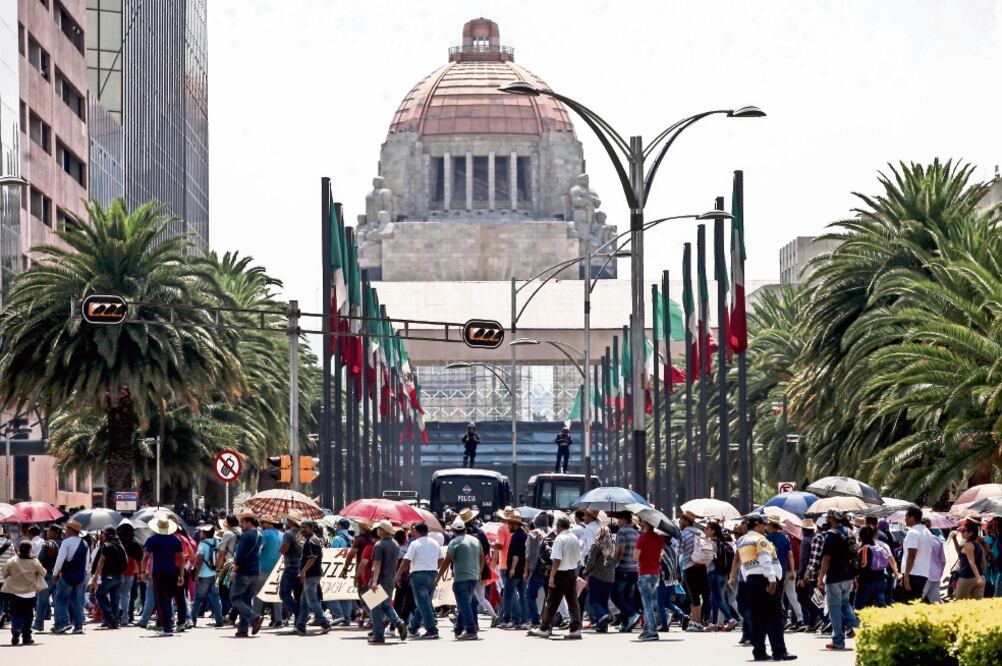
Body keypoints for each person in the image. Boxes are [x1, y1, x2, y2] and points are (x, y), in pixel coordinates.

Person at [731, 514, 796, 661]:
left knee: (757, 618)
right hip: (765, 580)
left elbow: (742, 564)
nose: (765, 527)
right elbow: (765, 560)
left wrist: (747, 579)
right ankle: (779, 651)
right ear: (758, 525)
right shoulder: (760, 540)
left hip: (752, 581)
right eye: (763, 524)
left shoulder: (742, 541)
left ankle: (759, 652)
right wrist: (772, 581)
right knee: (774, 617)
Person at [528, 516, 582, 639]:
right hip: (572, 572)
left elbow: (556, 559)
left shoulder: (559, 539)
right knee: (573, 602)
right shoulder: (574, 538)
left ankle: (544, 628)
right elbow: (578, 559)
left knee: (552, 602)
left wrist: (552, 576)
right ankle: (575, 629)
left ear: (559, 526)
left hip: (560, 573)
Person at [818, 511, 859, 652]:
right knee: (845, 604)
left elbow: (826, 559)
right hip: (848, 576)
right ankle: (861, 631)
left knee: (834, 609)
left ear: (831, 519)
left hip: (834, 577)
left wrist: (820, 578)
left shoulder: (831, 535)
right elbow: (855, 554)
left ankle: (838, 641)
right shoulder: (850, 532)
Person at [437, 517, 483, 640]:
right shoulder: (475, 540)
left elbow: (447, 561)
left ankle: (470, 630)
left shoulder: (454, 542)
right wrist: (479, 571)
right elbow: (482, 557)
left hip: (461, 577)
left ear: (452, 530)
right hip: (474, 577)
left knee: (464, 604)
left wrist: (438, 577)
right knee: (465, 603)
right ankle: (458, 628)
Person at [141, 516, 184, 637]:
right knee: (168, 600)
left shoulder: (153, 539)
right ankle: (168, 626)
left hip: (158, 573)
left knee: (161, 601)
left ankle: (167, 628)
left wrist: (143, 572)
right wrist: (181, 575)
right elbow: (181, 558)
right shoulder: (175, 540)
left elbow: (145, 557)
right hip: (172, 572)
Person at [398, 522, 442, 639]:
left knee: (423, 603)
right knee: (424, 603)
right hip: (432, 574)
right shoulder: (435, 543)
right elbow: (441, 559)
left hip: (418, 575)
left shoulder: (415, 543)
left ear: (417, 532)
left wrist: (398, 573)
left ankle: (432, 630)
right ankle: (413, 628)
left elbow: (406, 560)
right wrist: (433, 567)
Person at [367, 520, 407, 644]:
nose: (377, 531)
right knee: (385, 605)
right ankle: (398, 622)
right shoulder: (395, 544)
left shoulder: (379, 545)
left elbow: (377, 564)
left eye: (379, 529)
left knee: (376, 609)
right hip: (390, 580)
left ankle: (378, 635)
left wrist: (374, 582)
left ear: (383, 530)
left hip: (380, 580)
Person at [2, 540, 46, 646]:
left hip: (15, 592)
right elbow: (43, 573)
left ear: (19, 549)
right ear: (30, 550)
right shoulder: (34, 561)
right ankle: (26, 637)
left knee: (15, 613)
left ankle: (16, 629)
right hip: (30, 593)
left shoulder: (13, 560)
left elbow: (4, 573)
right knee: (28, 615)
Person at [51, 519, 91, 635]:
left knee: (60, 599)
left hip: (67, 575)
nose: (65, 531)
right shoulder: (85, 544)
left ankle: (63, 623)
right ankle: (78, 626)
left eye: (67, 529)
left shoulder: (66, 542)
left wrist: (55, 573)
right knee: (78, 601)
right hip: (81, 576)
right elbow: (88, 562)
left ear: (71, 530)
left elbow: (60, 560)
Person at [294, 520, 332, 635]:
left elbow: (312, 558)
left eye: (305, 527)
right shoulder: (312, 540)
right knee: (304, 601)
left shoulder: (311, 541)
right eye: (301, 528)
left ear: (311, 528)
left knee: (312, 600)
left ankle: (325, 623)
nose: (302, 530)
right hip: (312, 574)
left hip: (311, 574)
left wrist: (303, 571)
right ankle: (300, 626)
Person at [230, 510, 264, 638]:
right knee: (246, 600)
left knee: (235, 598)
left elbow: (240, 554)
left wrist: (234, 569)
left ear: (249, 522)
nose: (241, 525)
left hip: (244, 571)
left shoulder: (245, 536)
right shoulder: (259, 534)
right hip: (255, 571)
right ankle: (242, 630)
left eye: (243, 522)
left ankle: (254, 618)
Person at [764, 516, 800, 630]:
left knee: (774, 596)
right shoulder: (785, 538)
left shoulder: (766, 539)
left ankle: (782, 617)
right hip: (784, 570)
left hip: (771, 571)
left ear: (770, 525)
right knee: (790, 595)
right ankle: (800, 619)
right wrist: (792, 570)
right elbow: (790, 555)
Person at [634, 520, 665, 641]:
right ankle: (647, 628)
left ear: (646, 524)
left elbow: (635, 556)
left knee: (647, 603)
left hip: (644, 572)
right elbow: (660, 556)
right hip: (655, 573)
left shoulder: (642, 538)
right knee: (651, 601)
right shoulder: (659, 539)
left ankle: (652, 630)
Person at [91, 525, 127, 629]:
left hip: (109, 576)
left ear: (107, 535)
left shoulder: (106, 546)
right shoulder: (120, 545)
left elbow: (101, 561)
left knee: (100, 595)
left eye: (103, 534)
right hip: (120, 576)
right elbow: (126, 561)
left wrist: (96, 575)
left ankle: (110, 615)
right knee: (115, 599)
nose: (102, 536)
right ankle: (114, 622)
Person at [582, 523, 615, 632]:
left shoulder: (596, 545)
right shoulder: (612, 546)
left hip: (597, 576)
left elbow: (590, 562)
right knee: (603, 601)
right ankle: (602, 626)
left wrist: (585, 572)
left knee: (593, 600)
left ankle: (604, 616)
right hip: (610, 577)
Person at [679, 510, 708, 631]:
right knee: (697, 596)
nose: (680, 522)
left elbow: (680, 551)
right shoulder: (700, 532)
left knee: (693, 596)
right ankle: (695, 621)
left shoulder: (684, 534)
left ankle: (697, 623)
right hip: (702, 566)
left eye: (681, 520)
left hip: (689, 567)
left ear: (686, 521)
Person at [706, 520, 738, 631]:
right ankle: (714, 623)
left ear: (713, 531)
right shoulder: (724, 543)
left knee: (717, 598)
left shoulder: (711, 544)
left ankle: (730, 619)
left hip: (713, 572)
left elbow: (712, 557)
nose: (706, 530)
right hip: (724, 574)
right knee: (714, 597)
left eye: (708, 528)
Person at [611, 512, 640, 632]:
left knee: (615, 595)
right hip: (634, 568)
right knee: (628, 597)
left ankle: (632, 614)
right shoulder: (636, 532)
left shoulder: (622, 532)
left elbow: (620, 550)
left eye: (619, 520)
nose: (618, 522)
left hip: (623, 568)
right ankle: (626, 624)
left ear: (623, 519)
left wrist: (614, 563)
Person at [856, 526, 897, 609]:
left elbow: (862, 566)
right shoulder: (879, 547)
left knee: (859, 607)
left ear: (861, 536)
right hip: (881, 580)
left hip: (867, 581)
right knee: (881, 606)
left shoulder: (865, 548)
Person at [192, 524, 224, 627]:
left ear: (204, 533)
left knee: (198, 599)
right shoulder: (217, 542)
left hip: (204, 575)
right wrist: (218, 570)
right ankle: (219, 620)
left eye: (202, 532)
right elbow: (220, 557)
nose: (201, 533)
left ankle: (192, 619)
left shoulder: (202, 545)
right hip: (214, 573)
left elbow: (199, 560)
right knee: (215, 598)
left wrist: (196, 575)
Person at [524, 511, 552, 628]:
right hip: (551, 569)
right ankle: (548, 621)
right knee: (549, 597)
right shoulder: (553, 532)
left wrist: (526, 571)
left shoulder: (533, 534)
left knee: (529, 595)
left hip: (537, 570)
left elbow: (529, 555)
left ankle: (535, 620)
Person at [501, 511, 528, 629]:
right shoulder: (524, 535)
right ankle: (524, 620)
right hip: (522, 571)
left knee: (508, 596)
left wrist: (512, 569)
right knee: (522, 596)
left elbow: (516, 555)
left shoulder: (516, 537)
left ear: (514, 524)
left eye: (509, 524)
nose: (508, 526)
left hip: (515, 571)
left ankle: (507, 620)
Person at [32, 524, 61, 633]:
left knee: (42, 601)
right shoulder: (65, 543)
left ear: (54, 533)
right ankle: (59, 624)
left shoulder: (47, 544)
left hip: (47, 575)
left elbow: (40, 560)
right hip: (61, 576)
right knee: (58, 601)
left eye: (49, 531)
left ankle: (39, 624)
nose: (47, 533)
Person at [256, 515, 283, 624]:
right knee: (276, 595)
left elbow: (259, 549)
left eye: (262, 523)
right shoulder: (281, 534)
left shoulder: (264, 534)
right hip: (277, 569)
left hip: (263, 568)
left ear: (267, 523)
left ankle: (255, 619)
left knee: (258, 595)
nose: (261, 525)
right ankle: (278, 619)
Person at [901, 507, 932, 602]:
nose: (905, 519)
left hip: (913, 574)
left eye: (906, 516)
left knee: (907, 604)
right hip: (923, 573)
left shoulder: (913, 532)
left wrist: (906, 576)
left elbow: (912, 555)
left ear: (912, 518)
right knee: (916, 604)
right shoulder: (927, 532)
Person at [278, 510, 303, 623]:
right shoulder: (303, 534)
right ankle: (298, 623)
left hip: (291, 566)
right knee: (297, 595)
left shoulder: (288, 534)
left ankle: (300, 613)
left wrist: (280, 548)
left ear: (290, 521)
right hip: (301, 566)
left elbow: (284, 549)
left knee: (284, 593)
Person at [954, 520, 987, 600]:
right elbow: (984, 562)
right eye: (961, 530)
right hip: (980, 578)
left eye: (964, 530)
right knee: (976, 608)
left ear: (970, 533)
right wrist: (981, 575)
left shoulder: (968, 544)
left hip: (966, 578)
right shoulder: (977, 544)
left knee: (960, 605)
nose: (961, 532)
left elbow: (972, 563)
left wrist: (978, 577)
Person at [923, 518, 946, 603]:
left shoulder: (918, 540)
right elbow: (943, 561)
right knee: (935, 603)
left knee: (917, 601)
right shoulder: (937, 540)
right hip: (936, 575)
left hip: (923, 575)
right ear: (930, 527)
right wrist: (939, 573)